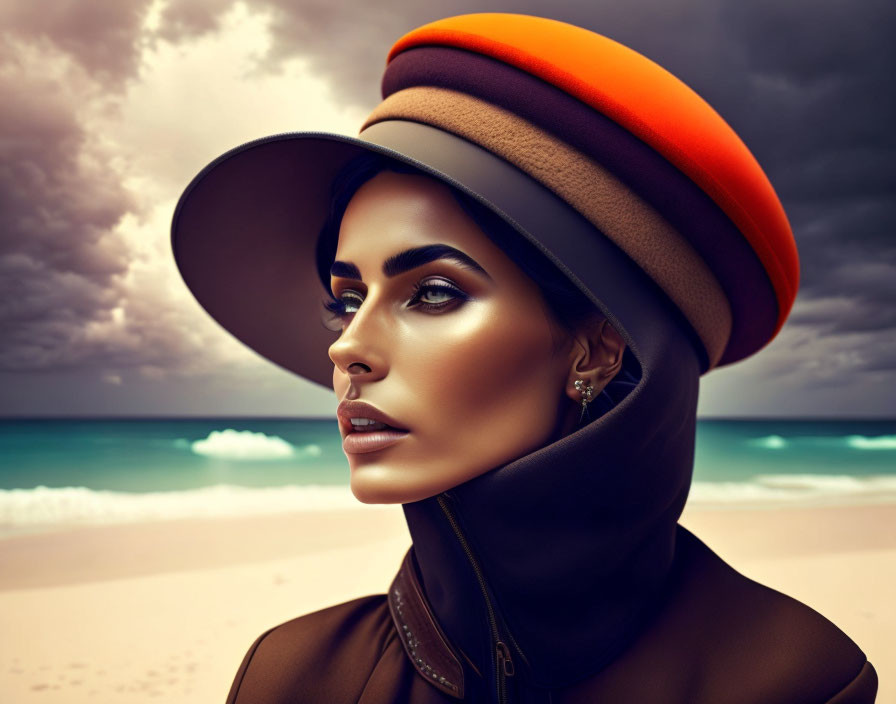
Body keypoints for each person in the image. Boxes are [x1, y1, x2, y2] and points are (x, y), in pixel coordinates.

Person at [171, 12, 878, 704]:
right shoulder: (292, 678)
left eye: (434, 293)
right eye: (349, 299)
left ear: (597, 349)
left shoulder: (797, 681)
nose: (347, 345)